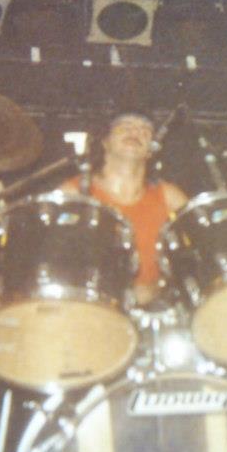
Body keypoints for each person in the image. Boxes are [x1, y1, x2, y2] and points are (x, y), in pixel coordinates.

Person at [62, 111, 189, 306]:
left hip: (152, 312)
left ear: (151, 150)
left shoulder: (170, 197)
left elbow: (196, 259)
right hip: (86, 307)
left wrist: (157, 287)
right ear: (105, 142)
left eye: (145, 130)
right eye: (125, 126)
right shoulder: (73, 193)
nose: (135, 132)